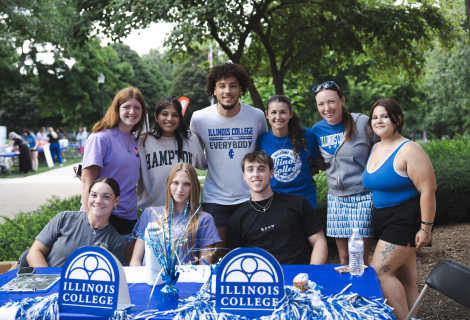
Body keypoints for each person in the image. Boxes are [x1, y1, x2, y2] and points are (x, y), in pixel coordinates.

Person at [363, 98, 436, 320]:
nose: (379, 121)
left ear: (398, 119)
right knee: (406, 277)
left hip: (404, 219)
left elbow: (428, 190)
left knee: (380, 273)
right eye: (375, 117)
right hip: (383, 219)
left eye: (384, 116)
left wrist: (426, 228)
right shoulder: (375, 147)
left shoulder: (409, 149)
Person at [190, 62, 268, 255]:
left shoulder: (256, 116)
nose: (227, 90)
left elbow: (262, 154)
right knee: (216, 256)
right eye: (222, 86)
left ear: (241, 89)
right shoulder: (199, 118)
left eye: (233, 85)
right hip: (215, 199)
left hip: (250, 197)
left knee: (251, 255)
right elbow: (194, 156)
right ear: (213, 90)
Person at [311, 81, 378, 265]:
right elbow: (319, 163)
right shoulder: (317, 131)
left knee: (359, 258)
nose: (327, 108)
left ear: (342, 100)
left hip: (363, 196)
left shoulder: (362, 122)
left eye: (331, 101)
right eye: (321, 104)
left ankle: (362, 292)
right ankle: (347, 294)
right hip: (336, 198)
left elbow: (382, 148)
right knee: (344, 258)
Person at [226, 151, 328, 265]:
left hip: (299, 277)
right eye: (250, 170)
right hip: (262, 279)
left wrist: (311, 273)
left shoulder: (297, 203)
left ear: (271, 173)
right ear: (244, 176)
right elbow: (236, 260)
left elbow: (319, 241)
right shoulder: (237, 218)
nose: (255, 174)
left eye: (261, 169)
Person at [81, 86, 147, 236]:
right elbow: (87, 182)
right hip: (102, 216)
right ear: (117, 109)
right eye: (127, 107)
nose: (132, 112)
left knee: (126, 260)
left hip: (129, 217)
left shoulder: (136, 139)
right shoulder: (100, 138)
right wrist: (87, 220)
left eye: (137, 108)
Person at [130, 163, 220, 266]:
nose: (180, 189)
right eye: (176, 183)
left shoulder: (204, 220)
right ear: (169, 184)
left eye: (186, 184)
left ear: (193, 187)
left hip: (185, 280)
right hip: (149, 280)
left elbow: (205, 266)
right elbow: (136, 260)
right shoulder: (150, 214)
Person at [26, 177, 126, 267]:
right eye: (94, 195)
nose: (98, 201)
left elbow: (113, 277)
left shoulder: (116, 243)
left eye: (106, 197)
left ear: (116, 201)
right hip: (47, 282)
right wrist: (49, 281)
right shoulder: (65, 218)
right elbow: (34, 253)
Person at [137, 96, 206, 209]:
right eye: (164, 114)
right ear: (156, 116)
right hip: (153, 212)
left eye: (175, 115)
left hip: (187, 212)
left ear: (180, 117)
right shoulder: (143, 141)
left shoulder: (191, 139)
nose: (169, 118)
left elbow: (204, 164)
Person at [258, 95, 322, 209]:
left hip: (305, 199)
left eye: (283, 112)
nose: (278, 117)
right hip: (275, 201)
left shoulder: (307, 135)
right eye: (273, 112)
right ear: (267, 115)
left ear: (290, 114)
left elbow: (319, 162)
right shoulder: (261, 140)